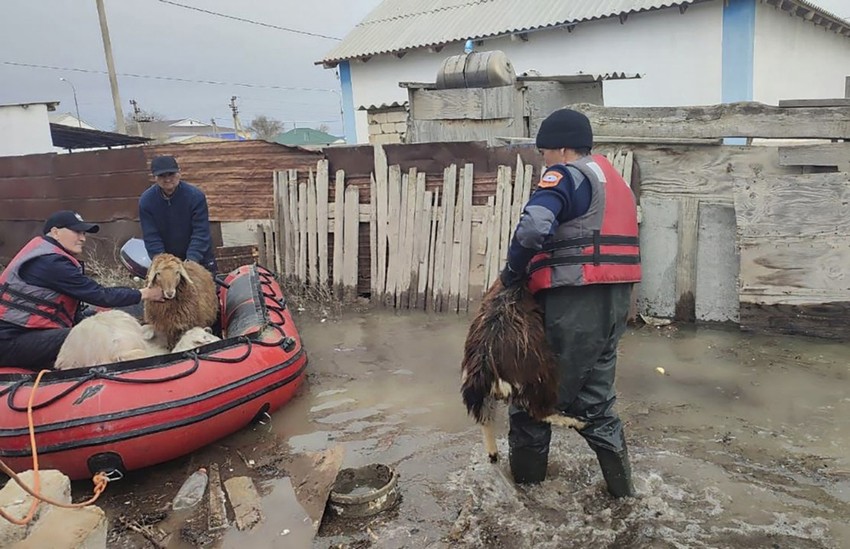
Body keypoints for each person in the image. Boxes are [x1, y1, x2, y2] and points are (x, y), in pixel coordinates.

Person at [499, 108, 641, 498]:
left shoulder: (565, 175)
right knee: (597, 404)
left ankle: (526, 499)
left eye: (544, 152)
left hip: (574, 300)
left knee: (531, 401)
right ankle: (625, 498)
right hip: (614, 301)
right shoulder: (614, 181)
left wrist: (513, 272)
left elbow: (533, 228)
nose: (543, 160)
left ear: (561, 149)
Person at [0, 210, 164, 370]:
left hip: (25, 335)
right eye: (77, 232)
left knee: (98, 323)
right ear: (55, 232)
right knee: (91, 336)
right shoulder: (49, 262)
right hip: (10, 340)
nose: (82, 238)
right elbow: (100, 295)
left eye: (84, 233)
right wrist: (146, 293)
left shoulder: (48, 255)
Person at [139, 155, 218, 274]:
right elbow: (151, 236)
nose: (167, 179)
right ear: (155, 177)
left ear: (179, 173)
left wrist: (191, 260)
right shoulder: (146, 201)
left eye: (171, 174)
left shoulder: (195, 196)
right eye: (162, 176)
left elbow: (201, 232)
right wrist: (163, 262)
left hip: (199, 258)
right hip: (168, 262)